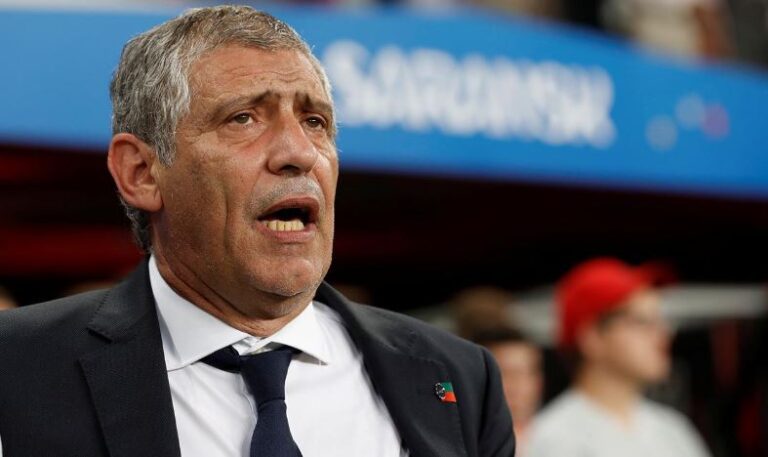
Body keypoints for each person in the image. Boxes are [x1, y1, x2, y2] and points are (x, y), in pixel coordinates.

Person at [0, 6, 514, 457]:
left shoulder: (459, 376)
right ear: (141, 173)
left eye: (315, 121)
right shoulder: (18, 368)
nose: (299, 153)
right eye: (243, 118)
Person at [527, 257, 711, 457]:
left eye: (661, 321)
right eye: (642, 321)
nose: (662, 334)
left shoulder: (673, 429)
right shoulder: (556, 439)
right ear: (592, 337)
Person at [472, 327, 543, 457]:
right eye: (504, 372)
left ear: (539, 381)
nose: (515, 384)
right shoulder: (462, 444)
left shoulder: (563, 436)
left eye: (522, 372)